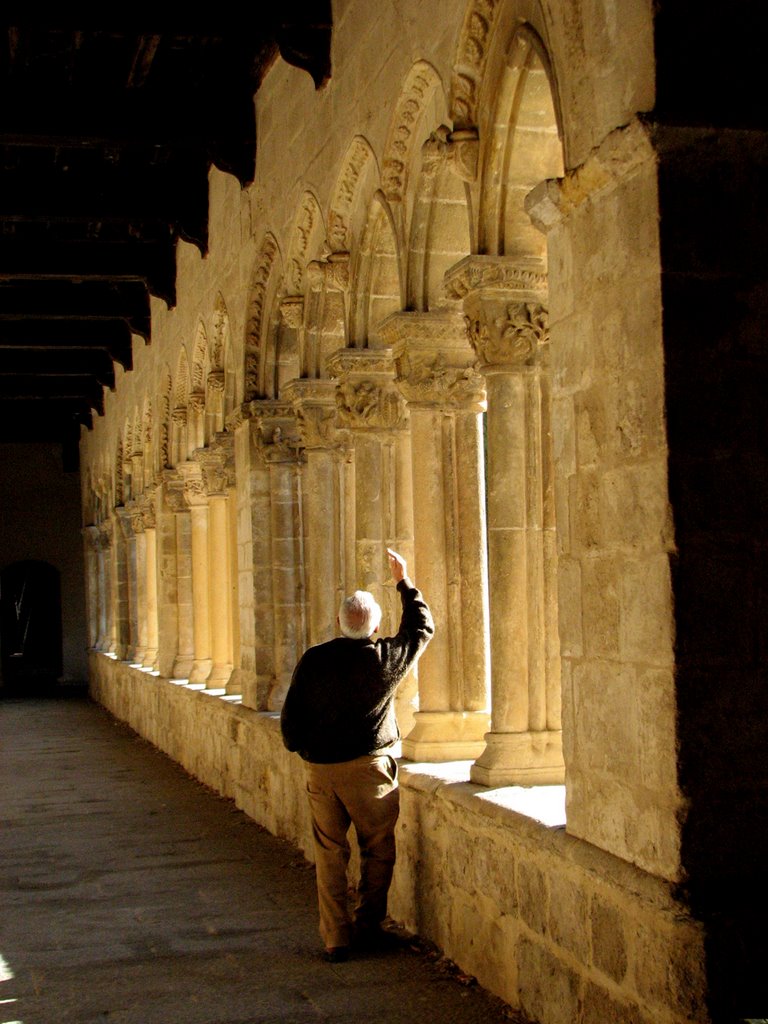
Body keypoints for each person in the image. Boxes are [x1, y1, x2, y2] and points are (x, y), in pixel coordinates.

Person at [280, 547, 434, 962]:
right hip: (370, 771)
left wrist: (303, 749)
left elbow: (291, 719)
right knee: (377, 848)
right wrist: (404, 582)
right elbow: (421, 629)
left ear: (338, 623)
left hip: (322, 771)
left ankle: (335, 938)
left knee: (329, 853)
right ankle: (368, 925)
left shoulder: (314, 661)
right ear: (376, 627)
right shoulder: (383, 659)